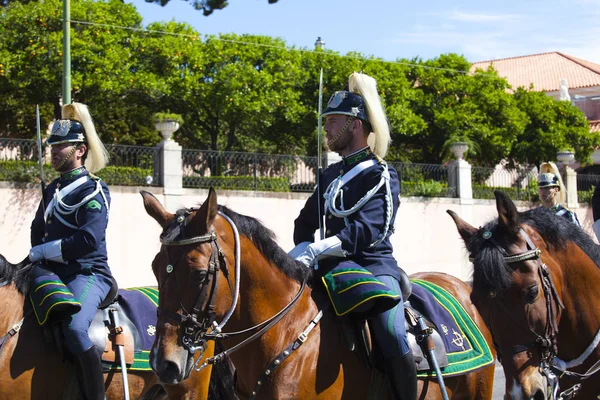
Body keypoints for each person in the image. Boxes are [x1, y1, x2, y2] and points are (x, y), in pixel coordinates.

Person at [290, 72, 417, 400]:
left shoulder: (381, 175)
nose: (327, 129)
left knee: (391, 333)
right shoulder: (331, 174)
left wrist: (319, 250)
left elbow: (371, 230)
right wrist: (303, 248)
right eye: (326, 121)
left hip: (373, 268)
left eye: (333, 121)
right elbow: (304, 222)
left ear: (356, 125)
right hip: (329, 269)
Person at [29, 102, 114, 400]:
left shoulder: (93, 191)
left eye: (60, 146)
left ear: (79, 151)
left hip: (87, 273)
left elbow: (88, 240)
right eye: (52, 146)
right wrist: (36, 256)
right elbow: (37, 229)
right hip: (54, 273)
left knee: (76, 330)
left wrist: (45, 251)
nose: (53, 151)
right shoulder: (51, 190)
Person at [538, 161, 581, 227]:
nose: (543, 191)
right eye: (541, 188)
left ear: (556, 190)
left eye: (547, 188)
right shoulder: (537, 216)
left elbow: (579, 237)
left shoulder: (568, 215)